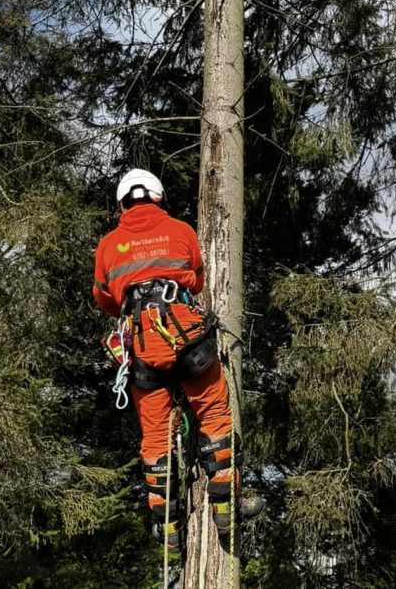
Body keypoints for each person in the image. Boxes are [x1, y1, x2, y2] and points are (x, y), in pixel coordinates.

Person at [93, 168, 263, 551]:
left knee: (155, 436)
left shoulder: (108, 245)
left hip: (140, 343)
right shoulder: (181, 231)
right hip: (184, 333)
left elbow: (104, 299)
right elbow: (197, 280)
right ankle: (225, 508)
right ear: (158, 197)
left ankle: (168, 527)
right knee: (214, 414)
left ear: (122, 203)